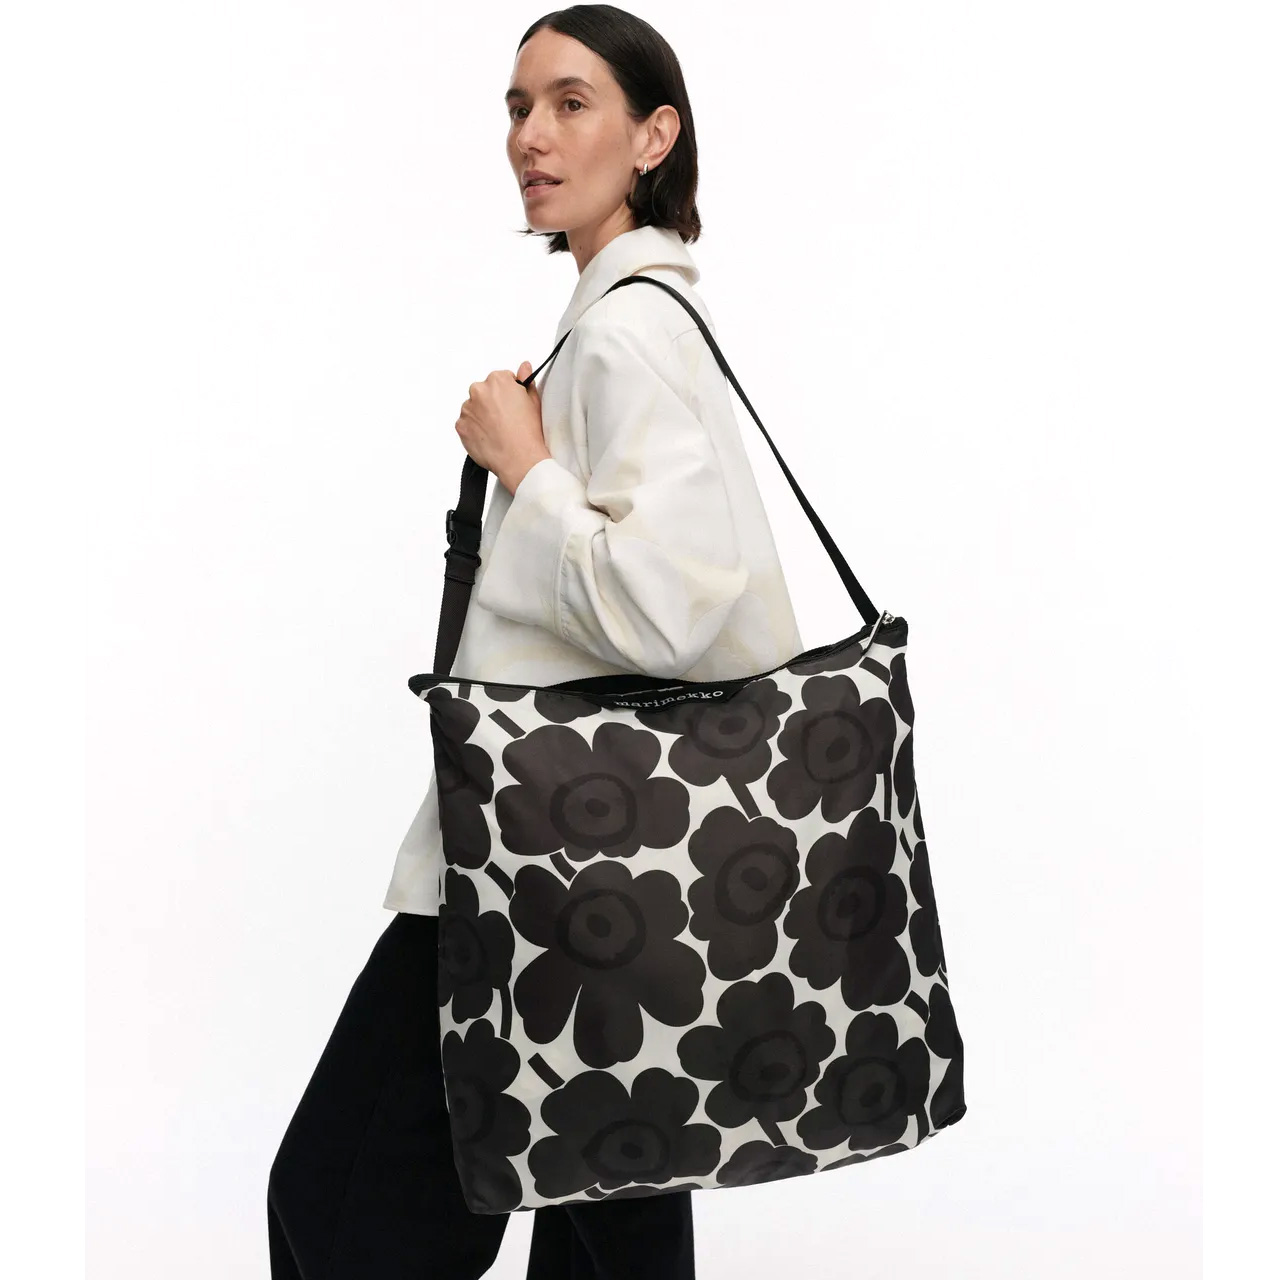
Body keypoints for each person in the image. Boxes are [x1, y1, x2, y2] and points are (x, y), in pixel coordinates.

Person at [267, 6, 806, 1277]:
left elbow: (668, 605)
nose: (530, 135)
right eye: (517, 107)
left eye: (571, 103)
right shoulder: (615, 321)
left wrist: (524, 464)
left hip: (543, 863)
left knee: (339, 1200)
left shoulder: (626, 333)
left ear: (653, 137)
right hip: (605, 873)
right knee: (604, 1204)